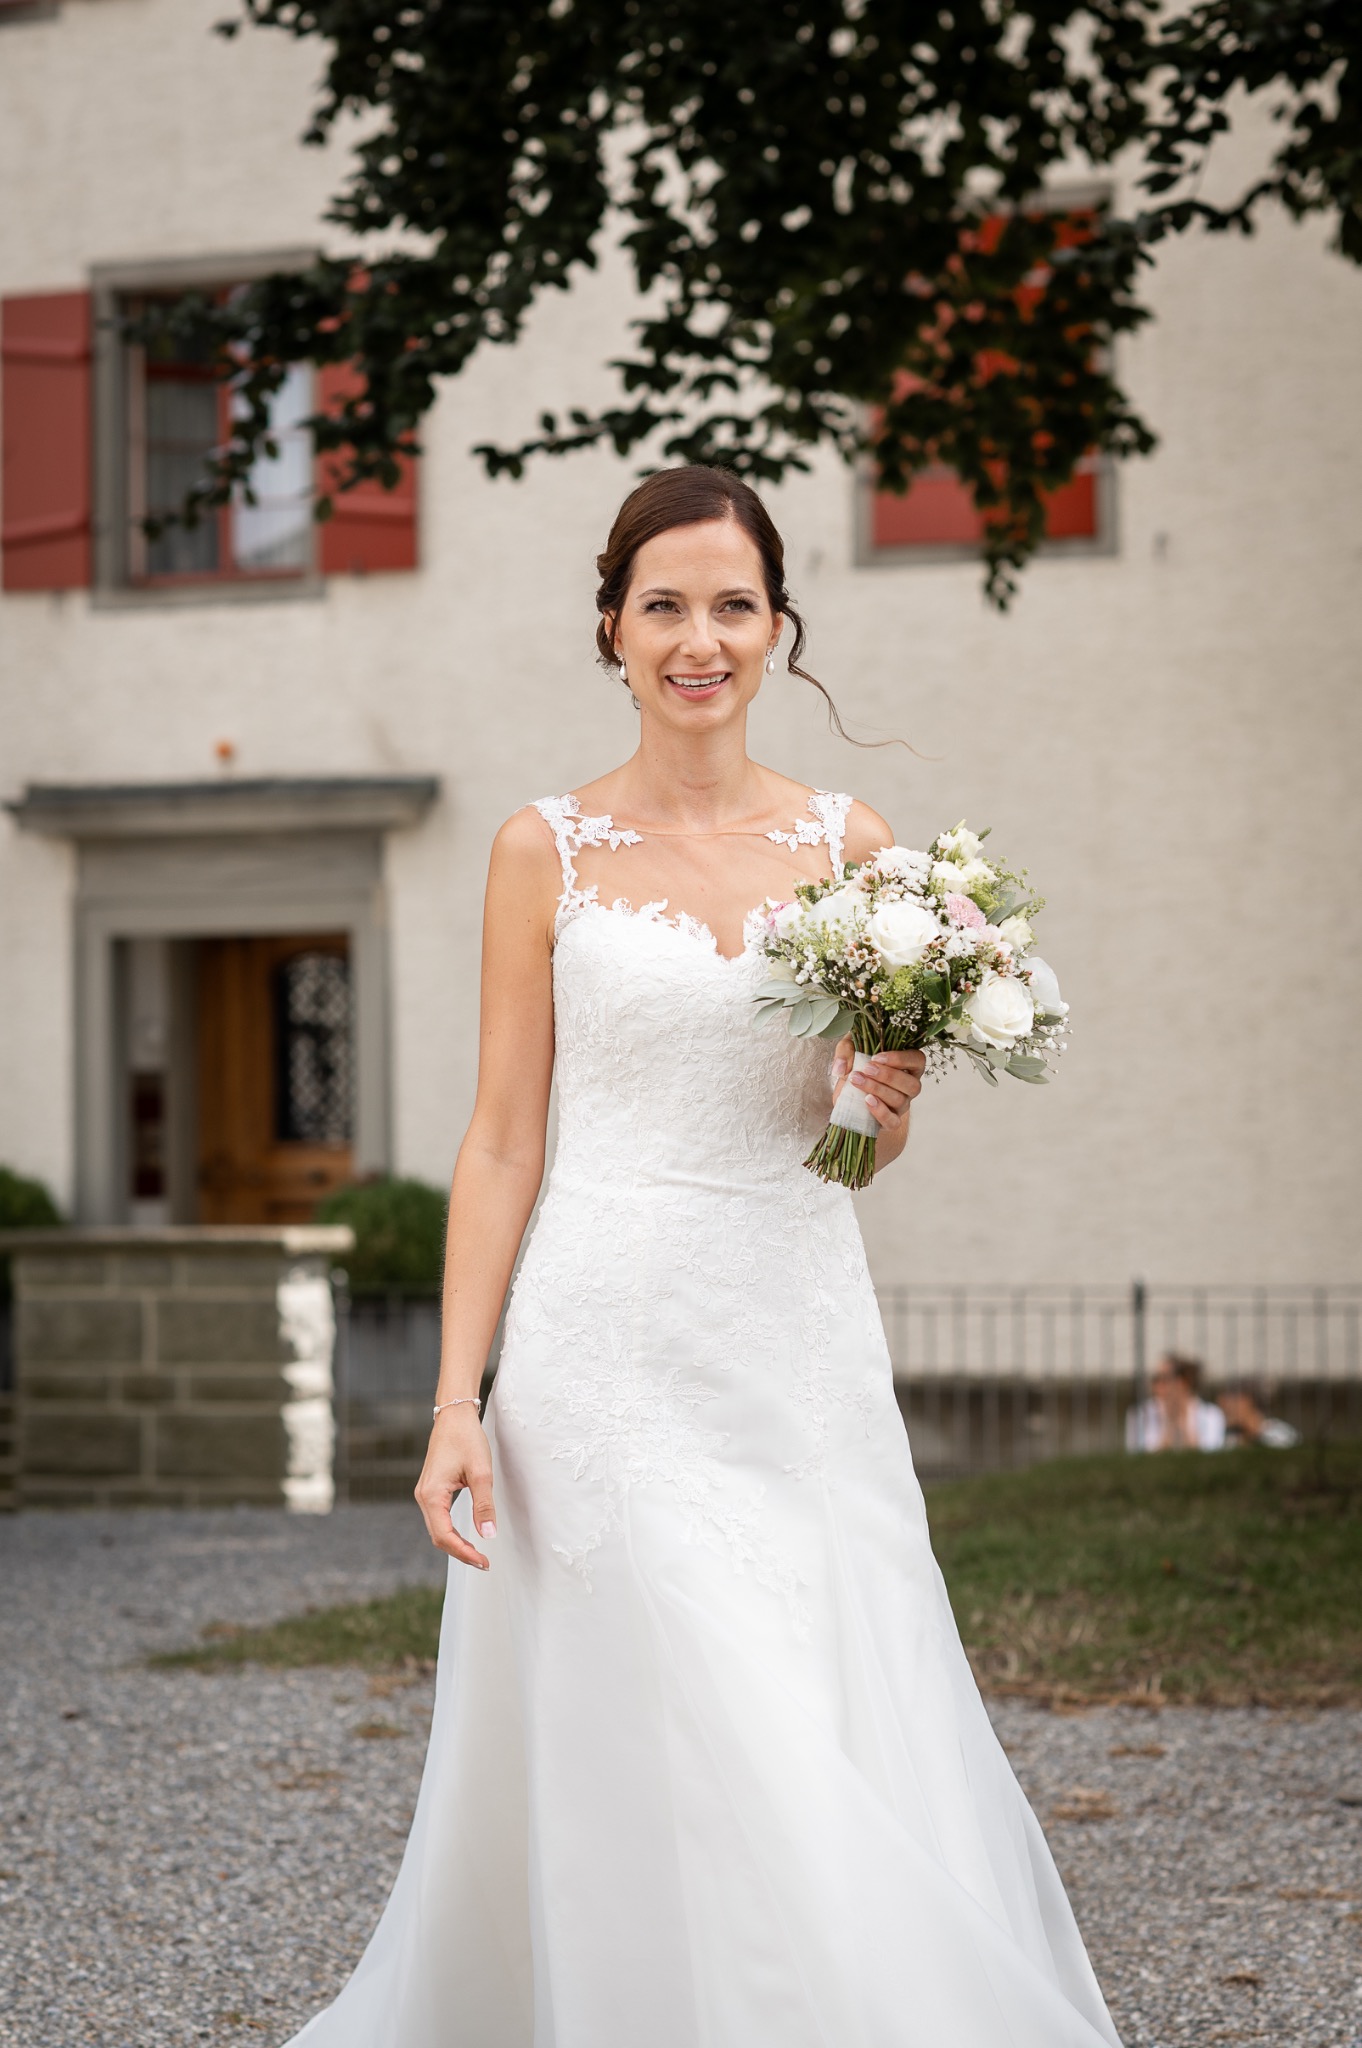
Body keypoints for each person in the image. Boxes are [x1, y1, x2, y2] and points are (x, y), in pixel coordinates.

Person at [284, 466, 1122, 2047]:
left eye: (731, 605)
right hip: (602, 1350)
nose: (698, 638)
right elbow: (503, 1143)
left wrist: (884, 1099)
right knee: (677, 1719)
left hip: (792, 1337)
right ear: (610, 627)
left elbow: (853, 1151)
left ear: (777, 625)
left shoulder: (852, 844)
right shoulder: (545, 849)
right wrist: (457, 1400)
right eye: (662, 604)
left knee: (806, 1707)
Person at [1125, 1352, 1227, 1452]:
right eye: (1155, 1379)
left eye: (1164, 1379)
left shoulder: (1211, 1414)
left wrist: (1182, 1420)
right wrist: (1169, 1424)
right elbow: (1138, 1457)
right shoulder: (1140, 1414)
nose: (1156, 1386)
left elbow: (1210, 1456)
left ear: (1183, 1383)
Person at [1218, 1383, 1302, 1448]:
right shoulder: (1229, 1440)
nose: (1224, 1407)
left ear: (1249, 1401)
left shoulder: (1281, 1435)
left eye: (1233, 1400)